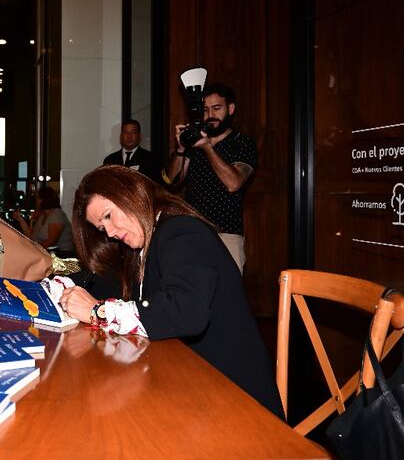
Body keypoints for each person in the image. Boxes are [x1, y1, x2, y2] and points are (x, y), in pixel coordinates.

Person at [59, 165, 283, 418]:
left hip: (235, 399)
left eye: (109, 216)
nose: (110, 233)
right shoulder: (142, 246)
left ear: (131, 193)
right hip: (189, 385)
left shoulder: (183, 231)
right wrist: (54, 286)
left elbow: (185, 312)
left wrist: (97, 312)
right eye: (101, 228)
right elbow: (103, 280)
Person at [162, 83, 256, 273]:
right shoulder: (194, 142)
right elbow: (171, 181)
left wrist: (207, 148)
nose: (210, 115)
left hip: (227, 235)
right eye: (205, 109)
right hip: (192, 233)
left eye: (216, 108)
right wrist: (180, 149)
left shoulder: (242, 143)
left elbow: (234, 183)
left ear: (230, 109)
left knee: (227, 298)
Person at [12, 187, 75, 258]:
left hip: (62, 256)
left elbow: (52, 241)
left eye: (38, 198)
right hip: (49, 254)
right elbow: (31, 236)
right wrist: (20, 220)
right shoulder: (42, 217)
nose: (36, 201)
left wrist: (34, 249)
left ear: (44, 199)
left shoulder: (57, 214)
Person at [103, 119, 161, 183]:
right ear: (120, 136)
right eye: (126, 132)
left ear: (140, 136)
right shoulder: (110, 160)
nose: (129, 136)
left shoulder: (151, 158)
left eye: (133, 132)